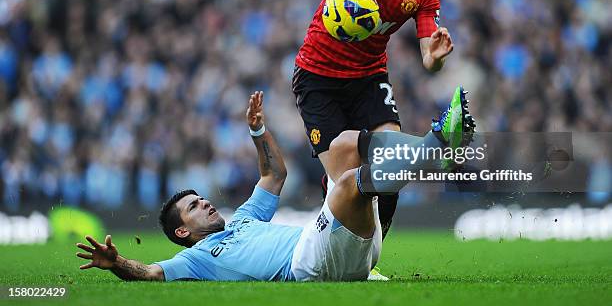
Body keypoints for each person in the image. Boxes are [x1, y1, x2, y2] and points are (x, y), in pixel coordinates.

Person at [195, 0, 454, 246]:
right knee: (349, 182)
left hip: (368, 78)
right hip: (318, 79)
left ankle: (372, 253)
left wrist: (436, 58)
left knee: (389, 164)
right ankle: (333, 196)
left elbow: (429, 59)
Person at [75, 87, 475, 282]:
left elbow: (273, 175)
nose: (207, 204)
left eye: (202, 199)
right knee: (350, 181)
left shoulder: (243, 219)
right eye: (195, 207)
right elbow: (151, 273)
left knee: (346, 146)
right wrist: (117, 264)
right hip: (310, 263)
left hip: (342, 251)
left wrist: (258, 130)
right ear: (183, 231)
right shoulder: (196, 259)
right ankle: (434, 148)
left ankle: (432, 152)